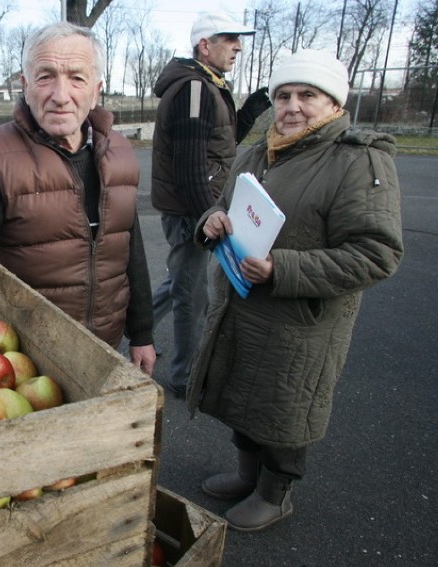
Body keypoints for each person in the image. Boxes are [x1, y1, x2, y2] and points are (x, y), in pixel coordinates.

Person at [189, 49, 404, 532]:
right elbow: (219, 208)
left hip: (300, 323)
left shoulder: (357, 159)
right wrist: (212, 222)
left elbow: (377, 254)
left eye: (308, 94)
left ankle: (275, 493)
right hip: (241, 309)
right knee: (242, 397)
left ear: (333, 103)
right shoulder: (258, 152)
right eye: (283, 94)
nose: (292, 106)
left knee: (285, 408)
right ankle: (247, 474)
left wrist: (281, 269)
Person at [0, 22, 156, 376]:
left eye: (77, 77)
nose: (61, 94)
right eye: (45, 77)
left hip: (106, 347)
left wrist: (142, 333)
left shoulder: (119, 152)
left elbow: (129, 249)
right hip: (24, 361)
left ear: (96, 91)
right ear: (25, 87)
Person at [149, 11, 272, 398]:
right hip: (192, 211)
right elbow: (189, 165)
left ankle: (135, 330)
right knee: (192, 295)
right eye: (230, 39)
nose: (238, 46)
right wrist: (208, 216)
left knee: (179, 281)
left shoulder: (209, 86)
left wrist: (251, 108)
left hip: (195, 208)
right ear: (206, 45)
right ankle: (187, 378)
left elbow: (221, 141)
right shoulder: (194, 89)